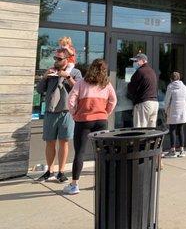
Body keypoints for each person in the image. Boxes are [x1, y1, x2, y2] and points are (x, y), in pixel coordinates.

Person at [64, 59, 117, 195]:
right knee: (102, 153)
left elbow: (70, 100)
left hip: (84, 121)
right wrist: (106, 112)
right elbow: (113, 100)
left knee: (80, 152)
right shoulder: (107, 84)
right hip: (101, 120)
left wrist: (75, 114)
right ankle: (101, 183)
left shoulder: (81, 83)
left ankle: (74, 185)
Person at [35, 48, 82, 183]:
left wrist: (67, 76)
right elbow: (39, 90)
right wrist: (45, 77)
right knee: (50, 142)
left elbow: (79, 89)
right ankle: (49, 170)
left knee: (64, 142)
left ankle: (61, 172)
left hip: (66, 112)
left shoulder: (75, 72)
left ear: (67, 59)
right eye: (55, 58)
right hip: (50, 111)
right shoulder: (51, 72)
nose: (56, 61)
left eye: (59, 59)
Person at [163, 72, 186, 158]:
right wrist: (183, 106)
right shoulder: (184, 86)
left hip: (173, 111)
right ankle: (182, 150)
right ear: (179, 78)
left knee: (172, 130)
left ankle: (172, 151)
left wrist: (166, 109)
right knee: (180, 130)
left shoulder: (170, 86)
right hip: (182, 112)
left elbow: (167, 100)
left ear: (171, 79)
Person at [127, 53, 158, 128]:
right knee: (151, 131)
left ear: (143, 61)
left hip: (143, 104)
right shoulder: (152, 71)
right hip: (154, 103)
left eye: (136, 61)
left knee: (140, 129)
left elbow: (131, 89)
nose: (134, 63)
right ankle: (151, 140)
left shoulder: (139, 72)